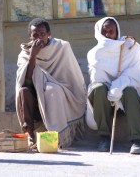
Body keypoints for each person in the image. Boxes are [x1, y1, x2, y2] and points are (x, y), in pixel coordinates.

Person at [16, 18, 87, 148]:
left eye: (42, 34)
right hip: (35, 99)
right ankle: (29, 134)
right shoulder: (25, 53)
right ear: (30, 36)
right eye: (35, 35)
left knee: (51, 89)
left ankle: (57, 135)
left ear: (49, 34)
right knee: (23, 91)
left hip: (60, 96)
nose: (39, 38)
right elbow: (25, 81)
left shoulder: (62, 47)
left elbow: (70, 76)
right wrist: (33, 56)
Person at [86, 17, 140, 154]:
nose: (108, 35)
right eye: (105, 31)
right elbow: (97, 78)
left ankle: (136, 140)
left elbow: (137, 74)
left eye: (112, 31)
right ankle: (104, 137)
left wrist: (118, 85)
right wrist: (111, 90)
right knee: (98, 89)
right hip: (105, 97)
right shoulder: (94, 53)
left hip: (126, 89)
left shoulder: (130, 46)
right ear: (99, 32)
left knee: (130, 91)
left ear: (117, 31)